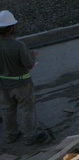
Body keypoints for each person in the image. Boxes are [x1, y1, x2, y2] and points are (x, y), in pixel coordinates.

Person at [0, 11, 47, 145]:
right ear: (11, 28)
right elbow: (29, 64)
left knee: (7, 110)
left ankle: (11, 135)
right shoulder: (18, 45)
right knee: (27, 110)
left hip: (3, 84)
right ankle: (30, 137)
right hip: (22, 84)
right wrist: (31, 56)